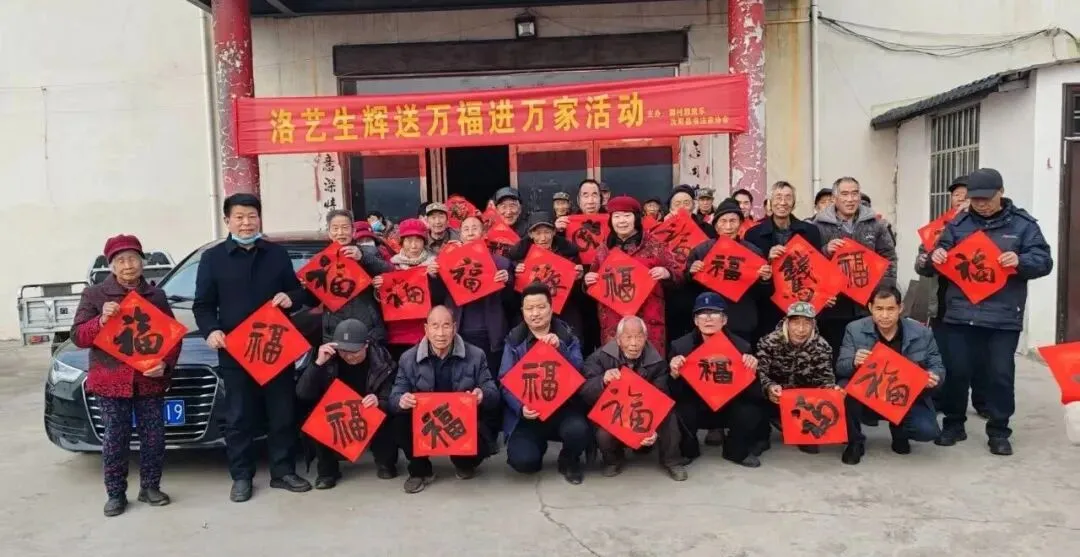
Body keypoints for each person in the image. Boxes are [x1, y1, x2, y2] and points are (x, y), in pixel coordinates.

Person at [193, 193, 315, 502]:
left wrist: (291, 298)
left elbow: (298, 293)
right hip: (235, 350)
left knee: (282, 412)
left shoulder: (276, 254)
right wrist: (211, 330)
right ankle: (242, 476)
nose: (246, 223)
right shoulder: (213, 259)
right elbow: (202, 306)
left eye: (252, 216)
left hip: (274, 346)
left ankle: (283, 471)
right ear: (227, 221)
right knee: (239, 416)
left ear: (259, 218)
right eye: (239, 217)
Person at [923, 168, 1053, 455]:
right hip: (961, 312)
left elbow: (1044, 261)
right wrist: (937, 256)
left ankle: (999, 431)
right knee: (957, 372)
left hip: (1003, 315)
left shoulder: (1023, 225)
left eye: (986, 198)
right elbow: (935, 256)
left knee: (1000, 375)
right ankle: (953, 425)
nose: (980, 204)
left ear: (1001, 193)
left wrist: (1020, 260)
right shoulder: (959, 223)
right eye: (975, 199)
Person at [70, 235, 180, 516]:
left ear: (142, 262)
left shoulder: (156, 296)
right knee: (115, 440)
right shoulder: (95, 295)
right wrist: (100, 321)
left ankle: (150, 487)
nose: (128, 265)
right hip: (111, 381)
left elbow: (172, 337)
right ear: (111, 266)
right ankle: (116, 493)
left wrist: (165, 365)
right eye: (120, 260)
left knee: (154, 437)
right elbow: (78, 337)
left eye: (133, 258)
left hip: (149, 380)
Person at [390, 306, 501, 493]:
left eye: (446, 326)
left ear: (455, 328)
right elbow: (394, 396)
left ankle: (464, 462)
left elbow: (493, 392)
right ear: (426, 329)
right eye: (435, 326)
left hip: (458, 423)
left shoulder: (476, 355)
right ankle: (420, 470)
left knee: (475, 449)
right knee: (399, 421)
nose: (441, 333)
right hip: (427, 424)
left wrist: (482, 394)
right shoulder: (408, 358)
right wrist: (402, 400)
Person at [835, 286, 943, 465]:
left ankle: (899, 430)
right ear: (870, 307)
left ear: (900, 308)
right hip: (869, 391)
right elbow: (841, 368)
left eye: (891, 309)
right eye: (879, 309)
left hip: (902, 396)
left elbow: (937, 366)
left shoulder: (922, 332)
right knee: (843, 388)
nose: (884, 315)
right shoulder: (854, 329)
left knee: (927, 431)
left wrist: (933, 377)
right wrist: (854, 361)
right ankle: (855, 441)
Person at [499, 283, 590, 484]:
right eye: (529, 308)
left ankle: (568, 460)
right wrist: (520, 407)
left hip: (562, 410)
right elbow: (504, 382)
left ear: (551, 307)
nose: (535, 313)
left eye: (541, 307)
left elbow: (579, 372)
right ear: (523, 311)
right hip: (529, 415)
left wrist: (561, 349)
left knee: (579, 431)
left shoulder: (566, 335)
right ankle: (536, 448)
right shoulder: (515, 340)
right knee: (523, 462)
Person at [296, 320, 400, 489]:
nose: (349, 356)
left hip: (368, 409)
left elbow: (393, 392)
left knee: (386, 413)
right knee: (318, 415)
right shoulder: (328, 359)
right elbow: (303, 393)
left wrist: (379, 400)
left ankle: (385, 462)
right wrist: (317, 364)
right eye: (343, 351)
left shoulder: (381, 359)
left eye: (354, 351)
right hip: (339, 413)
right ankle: (327, 471)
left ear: (366, 345)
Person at [581, 316, 687, 480]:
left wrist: (652, 427)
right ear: (618, 339)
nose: (634, 343)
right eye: (628, 337)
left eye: (639, 337)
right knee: (603, 432)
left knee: (669, 416)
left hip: (643, 411)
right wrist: (602, 380)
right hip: (616, 411)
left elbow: (661, 395)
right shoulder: (600, 357)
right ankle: (613, 460)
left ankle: (672, 460)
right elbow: (584, 391)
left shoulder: (656, 361)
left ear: (646, 338)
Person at [668, 293, 766, 467]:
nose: (708, 318)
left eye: (714, 313)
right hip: (697, 405)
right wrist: (674, 374)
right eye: (702, 314)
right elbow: (672, 392)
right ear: (696, 321)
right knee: (680, 409)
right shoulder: (681, 347)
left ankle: (735, 451)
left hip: (728, 405)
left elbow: (754, 393)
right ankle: (689, 450)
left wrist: (752, 371)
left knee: (750, 409)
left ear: (724, 320)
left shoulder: (741, 347)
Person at [919, 175, 985, 417]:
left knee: (979, 357)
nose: (961, 199)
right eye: (956, 195)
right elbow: (921, 265)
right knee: (944, 354)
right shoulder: (937, 228)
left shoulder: (987, 226)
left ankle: (982, 401)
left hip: (979, 303)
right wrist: (929, 258)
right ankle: (942, 400)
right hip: (943, 302)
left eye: (966, 195)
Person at [584, 195, 682, 356]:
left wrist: (667, 273)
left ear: (636, 218)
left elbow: (678, 273)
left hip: (648, 320)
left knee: (650, 366)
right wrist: (588, 280)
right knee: (616, 367)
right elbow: (593, 280)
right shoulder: (603, 249)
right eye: (616, 216)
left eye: (627, 216)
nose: (622, 221)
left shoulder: (655, 245)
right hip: (614, 322)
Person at [813, 176, 897, 362]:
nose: (850, 199)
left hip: (867, 305)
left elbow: (889, 257)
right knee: (836, 355)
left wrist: (883, 291)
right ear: (834, 198)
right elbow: (811, 262)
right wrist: (826, 250)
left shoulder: (876, 224)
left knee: (868, 357)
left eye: (854, 193)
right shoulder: (818, 226)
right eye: (844, 194)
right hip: (834, 306)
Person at [685, 198, 773, 346]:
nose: (728, 226)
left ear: (740, 224)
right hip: (708, 323)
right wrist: (691, 273)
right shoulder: (702, 251)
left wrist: (766, 280)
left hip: (741, 321)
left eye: (733, 221)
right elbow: (687, 289)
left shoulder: (753, 252)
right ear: (716, 226)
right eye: (723, 221)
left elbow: (764, 294)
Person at [744, 181, 825, 340]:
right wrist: (768, 259)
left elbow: (818, 269)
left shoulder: (810, 232)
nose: (782, 202)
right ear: (769, 202)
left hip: (801, 305)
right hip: (768, 305)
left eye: (788, 198)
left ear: (794, 203)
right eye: (778, 197)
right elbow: (750, 274)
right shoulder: (753, 234)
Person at [755, 301, 836, 454]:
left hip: (802, 401)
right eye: (796, 322)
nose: (801, 329)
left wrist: (833, 390)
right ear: (787, 322)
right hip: (775, 394)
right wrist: (769, 387)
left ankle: (800, 432)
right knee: (754, 393)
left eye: (806, 323)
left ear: (813, 324)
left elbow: (826, 379)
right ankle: (762, 435)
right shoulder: (769, 341)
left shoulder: (822, 347)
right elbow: (759, 372)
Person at [323, 210, 394, 346]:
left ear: (353, 231)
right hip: (334, 325)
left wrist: (362, 257)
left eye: (345, 228)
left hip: (367, 325)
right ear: (329, 232)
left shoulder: (368, 252)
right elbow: (312, 300)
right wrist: (305, 285)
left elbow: (389, 270)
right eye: (335, 228)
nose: (340, 233)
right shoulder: (321, 261)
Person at [378, 218, 443, 363]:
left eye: (418, 240)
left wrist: (435, 279)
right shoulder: (391, 266)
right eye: (408, 240)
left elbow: (442, 299)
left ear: (424, 242)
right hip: (398, 334)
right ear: (402, 242)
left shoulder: (434, 264)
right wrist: (379, 287)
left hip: (427, 332)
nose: (413, 245)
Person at [507, 212, 584, 334]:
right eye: (538, 233)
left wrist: (579, 278)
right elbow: (512, 296)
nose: (543, 238)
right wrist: (515, 273)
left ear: (554, 232)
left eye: (547, 232)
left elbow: (579, 296)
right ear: (531, 235)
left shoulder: (569, 253)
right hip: (534, 313)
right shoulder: (519, 256)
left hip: (564, 310)